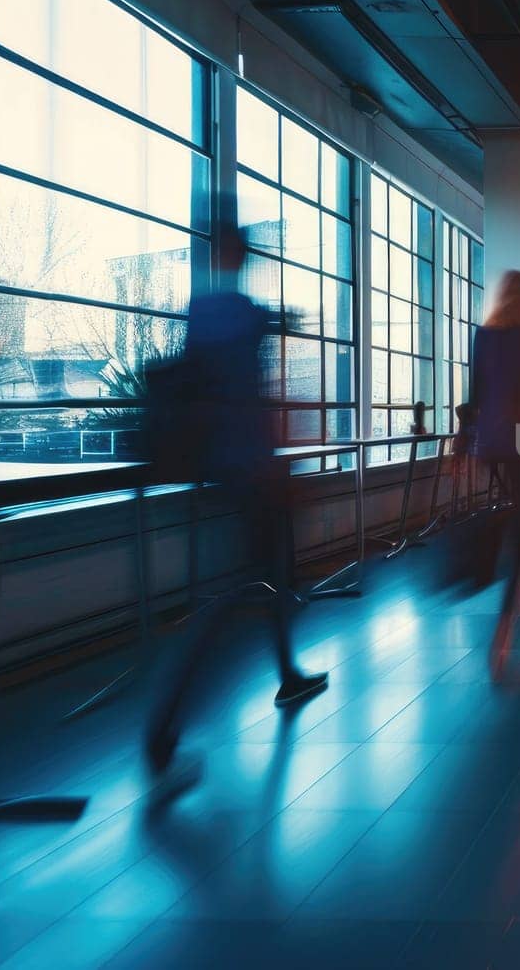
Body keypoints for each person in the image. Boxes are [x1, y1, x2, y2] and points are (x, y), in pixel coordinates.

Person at [143, 235, 327, 777]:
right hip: (251, 465)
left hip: (220, 465)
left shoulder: (201, 311)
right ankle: (164, 726)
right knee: (236, 593)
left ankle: (288, 671)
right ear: (238, 254)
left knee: (266, 573)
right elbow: (255, 393)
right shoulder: (243, 313)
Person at [469, 271, 520, 674]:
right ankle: (505, 624)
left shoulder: (483, 336)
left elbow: (475, 394)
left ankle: (508, 562)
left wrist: (461, 446)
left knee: (509, 507)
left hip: (491, 439)